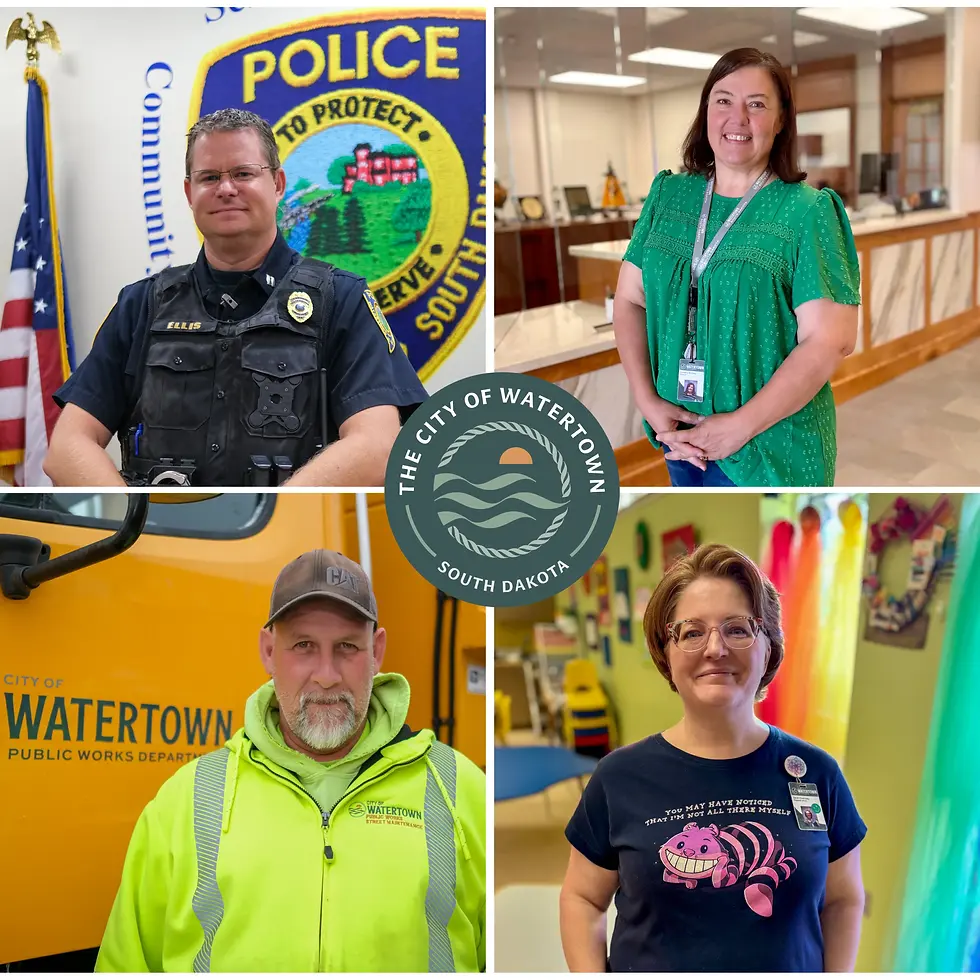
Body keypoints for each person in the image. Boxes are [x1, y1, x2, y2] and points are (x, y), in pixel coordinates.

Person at [95, 549, 486, 972]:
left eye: (347, 647)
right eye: (303, 645)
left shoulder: (459, 787)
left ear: (377, 651)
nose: (326, 674)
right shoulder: (186, 800)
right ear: (268, 651)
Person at [45, 108, 429, 488]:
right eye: (209, 177)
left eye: (244, 173)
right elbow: (67, 447)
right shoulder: (141, 305)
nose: (226, 189)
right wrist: (137, 522)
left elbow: (378, 446)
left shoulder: (340, 299)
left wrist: (268, 512)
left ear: (278, 184)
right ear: (188, 192)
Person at [559, 543, 866, 972]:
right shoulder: (617, 777)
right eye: (691, 632)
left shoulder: (817, 774)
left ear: (768, 648)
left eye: (738, 629)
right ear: (666, 653)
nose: (716, 648)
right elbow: (583, 898)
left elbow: (843, 899)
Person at [613, 48, 860, 487]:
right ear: (705, 110)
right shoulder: (668, 195)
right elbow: (630, 300)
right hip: (680, 439)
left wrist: (738, 426)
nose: (737, 118)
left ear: (781, 119)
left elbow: (830, 341)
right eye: (723, 100)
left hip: (771, 448)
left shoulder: (807, 212)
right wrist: (647, 399)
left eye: (757, 104)